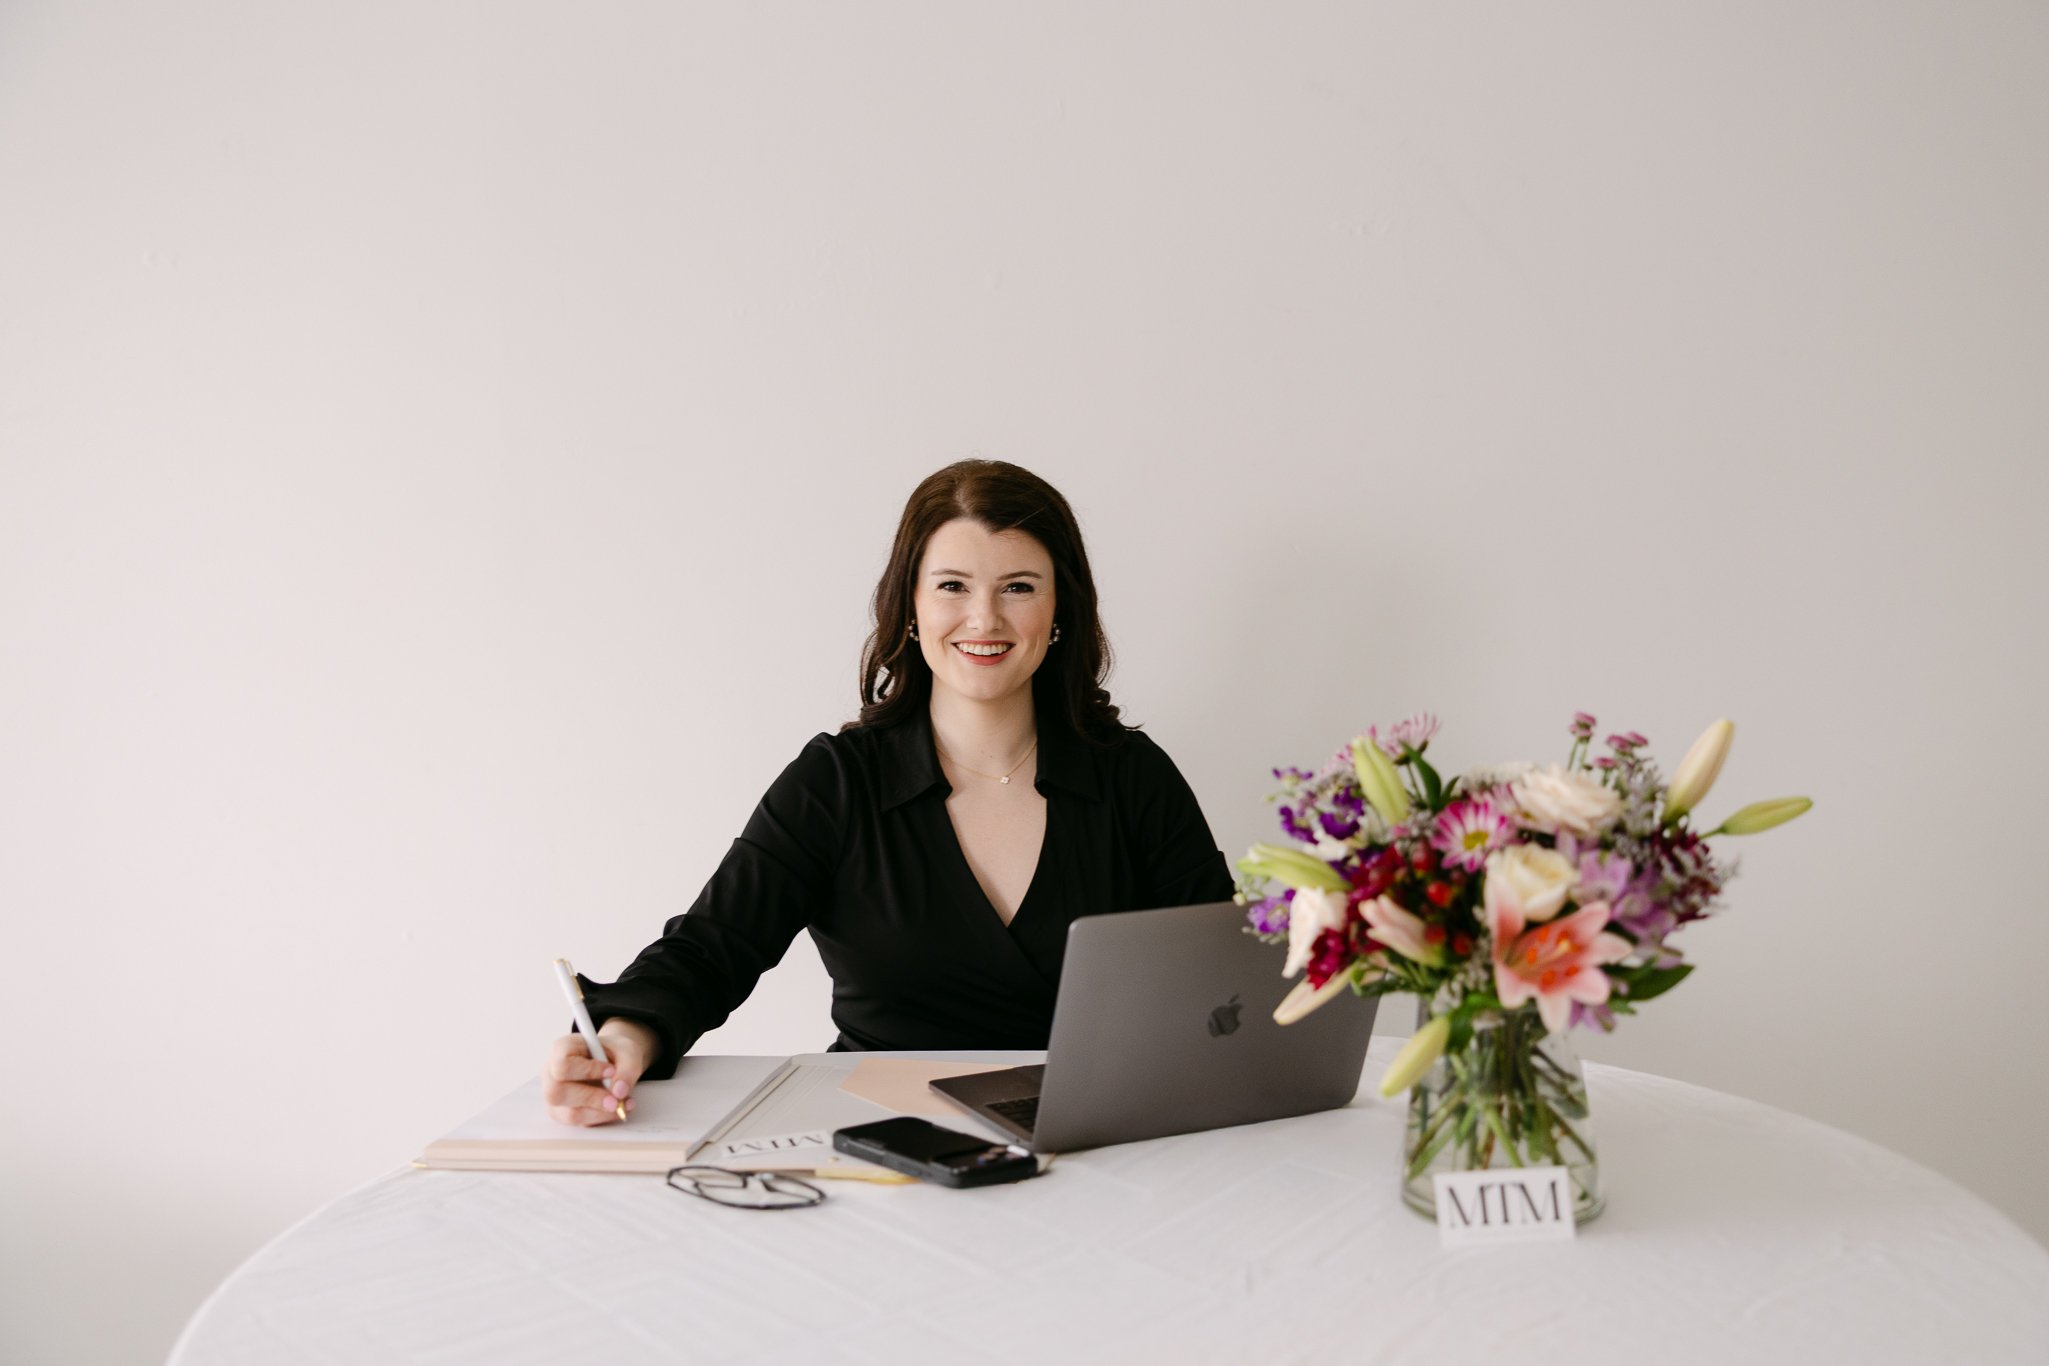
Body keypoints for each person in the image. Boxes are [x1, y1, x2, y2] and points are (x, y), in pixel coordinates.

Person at [542, 460, 1233, 1125]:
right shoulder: (836, 782)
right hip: (878, 1142)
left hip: (1097, 1142)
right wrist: (627, 1037)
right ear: (909, 605)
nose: (984, 618)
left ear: (1060, 609)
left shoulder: (1132, 776)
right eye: (953, 586)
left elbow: (1224, 976)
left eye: (1018, 586)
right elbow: (709, 949)